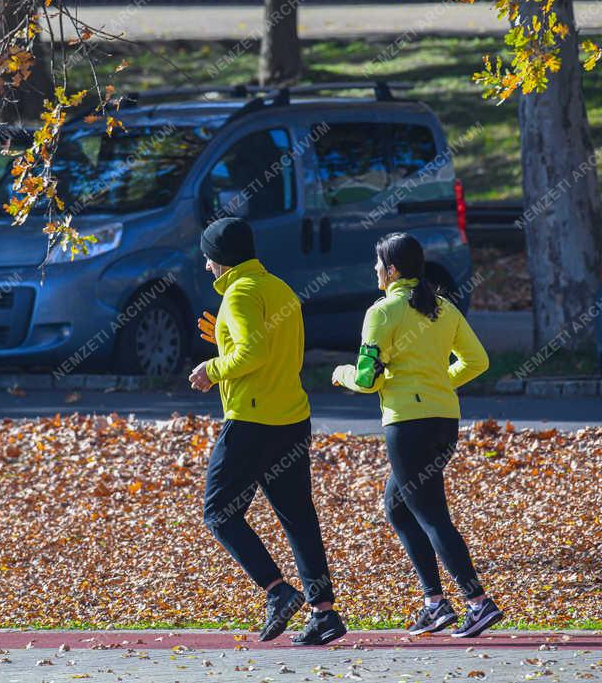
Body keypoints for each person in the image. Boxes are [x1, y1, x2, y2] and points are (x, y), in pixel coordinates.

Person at [331, 232, 501, 638]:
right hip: (445, 421)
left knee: (431, 516)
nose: (375, 271)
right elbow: (478, 361)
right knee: (398, 507)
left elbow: (369, 379)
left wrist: (341, 375)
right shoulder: (443, 307)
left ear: (392, 270)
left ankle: (478, 602)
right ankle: (434, 604)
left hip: (407, 424)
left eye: (378, 265)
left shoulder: (382, 312)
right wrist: (440, 381)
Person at [189, 216, 347, 646]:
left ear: (220, 258)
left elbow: (252, 353)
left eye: (207, 258)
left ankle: (277, 592)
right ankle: (324, 612)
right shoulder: (279, 288)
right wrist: (225, 344)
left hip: (252, 420)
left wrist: (213, 368)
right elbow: (275, 350)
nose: (205, 267)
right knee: (298, 516)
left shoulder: (238, 293)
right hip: (291, 417)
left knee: (220, 513)